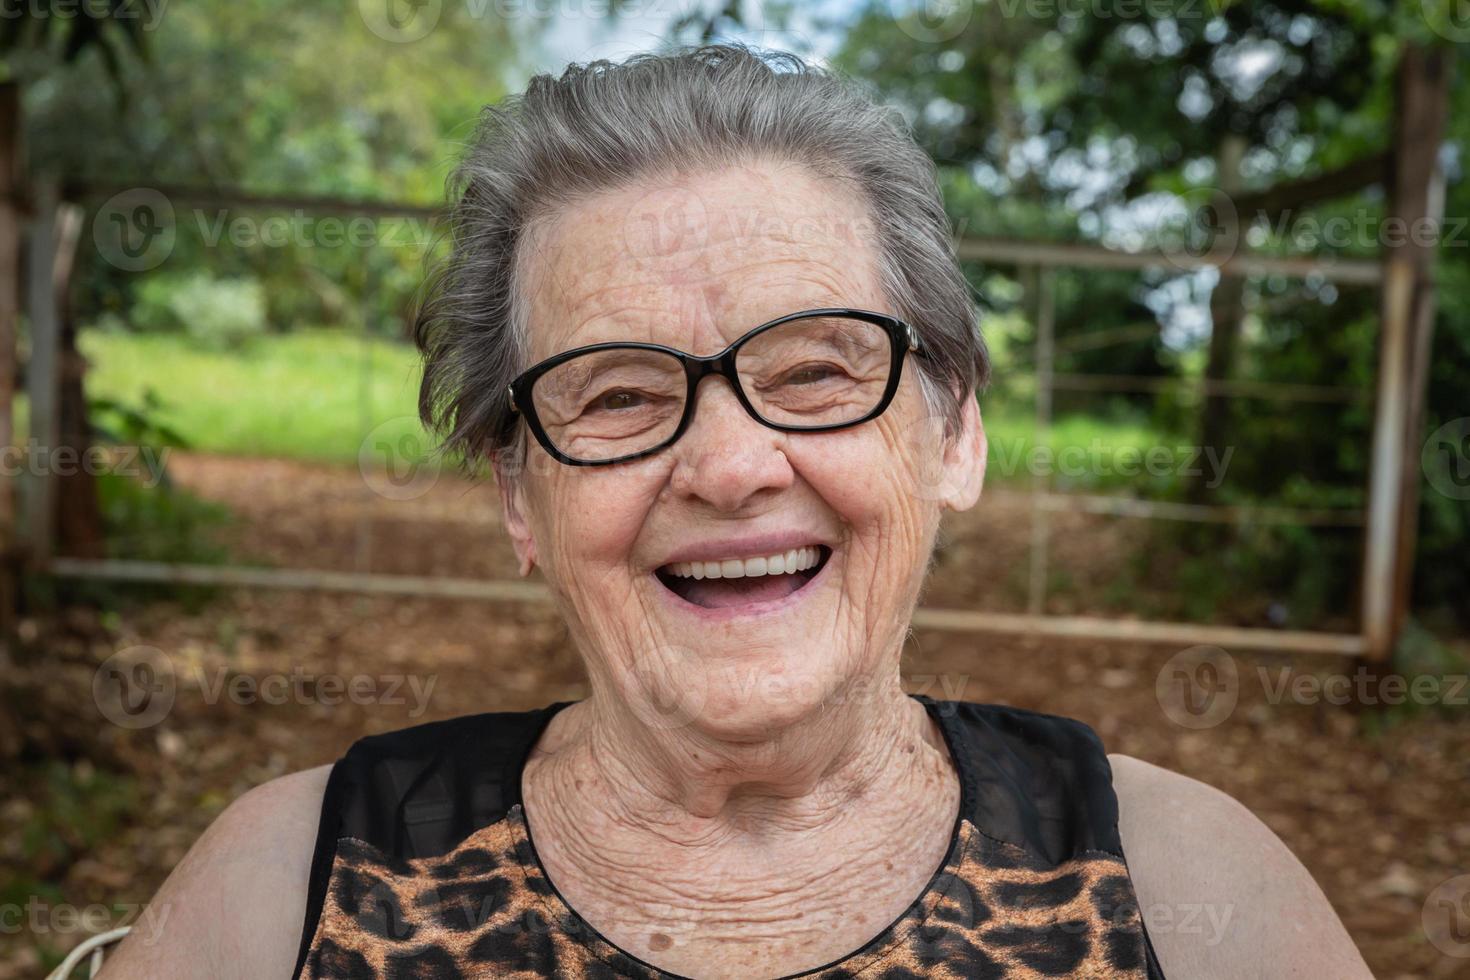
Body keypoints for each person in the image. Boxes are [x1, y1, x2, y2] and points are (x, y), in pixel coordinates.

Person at [103, 45, 1371, 979]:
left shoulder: (1193, 889)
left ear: (955, 433)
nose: (727, 464)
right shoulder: (286, 894)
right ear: (517, 493)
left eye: (817, 371)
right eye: (615, 392)